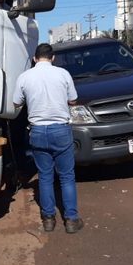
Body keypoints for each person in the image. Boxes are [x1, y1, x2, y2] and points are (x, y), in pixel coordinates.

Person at [13, 43, 83, 234]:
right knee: (67, 176)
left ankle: (49, 219)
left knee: (45, 176)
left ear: (35, 59)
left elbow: (16, 102)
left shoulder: (24, 77)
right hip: (60, 129)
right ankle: (71, 219)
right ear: (53, 58)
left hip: (37, 131)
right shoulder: (63, 74)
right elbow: (73, 100)